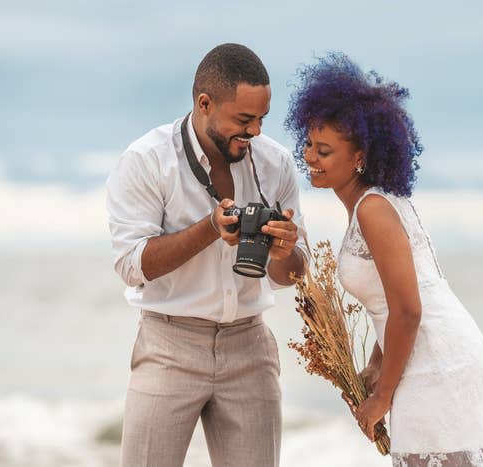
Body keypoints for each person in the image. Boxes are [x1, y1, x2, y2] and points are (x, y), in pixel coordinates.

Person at [285, 52, 483, 466]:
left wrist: (382, 395)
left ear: (359, 156)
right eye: (309, 144)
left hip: (437, 362)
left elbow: (408, 309)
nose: (310, 156)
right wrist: (375, 363)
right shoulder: (370, 204)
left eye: (325, 150)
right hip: (428, 355)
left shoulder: (373, 209)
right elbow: (394, 301)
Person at [106, 43, 307, 467]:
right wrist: (210, 229)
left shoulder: (276, 163)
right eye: (244, 119)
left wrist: (286, 251)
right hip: (168, 344)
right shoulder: (145, 160)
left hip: (250, 344)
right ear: (204, 103)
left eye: (262, 120)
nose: (255, 132)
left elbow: (289, 276)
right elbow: (131, 265)